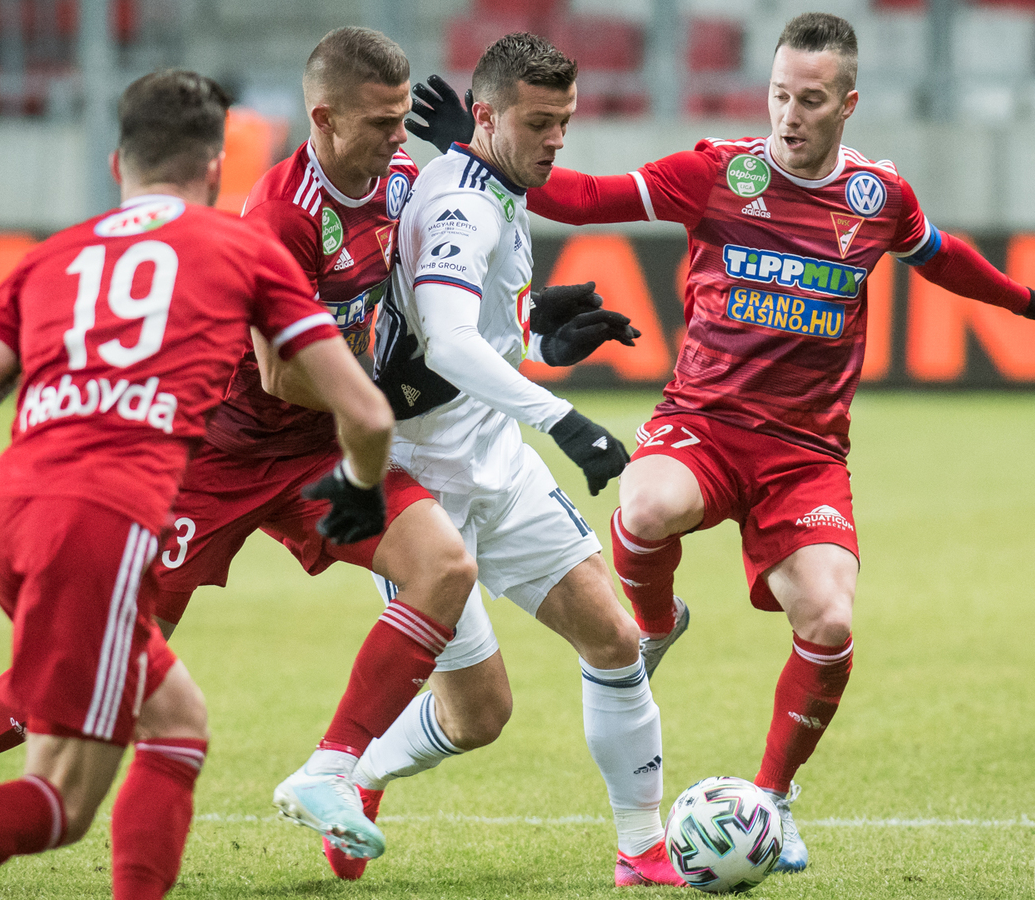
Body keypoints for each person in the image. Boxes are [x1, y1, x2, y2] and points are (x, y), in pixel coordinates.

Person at [407, 13, 1035, 875]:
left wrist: (1032, 303)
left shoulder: (878, 198)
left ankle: (772, 800)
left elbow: (941, 256)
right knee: (643, 507)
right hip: (704, 422)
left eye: (810, 100)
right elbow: (582, 199)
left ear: (848, 104)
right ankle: (656, 624)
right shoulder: (718, 174)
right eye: (778, 95)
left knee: (831, 622)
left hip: (807, 454)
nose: (789, 115)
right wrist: (475, 152)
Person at [0, 27, 486, 880]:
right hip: (216, 459)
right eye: (380, 122)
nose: (398, 138)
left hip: (313, 453)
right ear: (324, 119)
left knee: (443, 567)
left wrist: (475, 181)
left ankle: (333, 768)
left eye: (403, 119)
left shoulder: (403, 175)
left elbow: (458, 256)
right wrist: (388, 393)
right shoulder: (277, 216)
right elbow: (280, 375)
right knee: (102, 664)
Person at [355, 31, 682, 888]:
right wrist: (564, 420)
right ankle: (361, 773)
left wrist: (539, 335)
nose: (557, 140)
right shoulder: (461, 206)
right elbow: (448, 342)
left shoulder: (497, 186)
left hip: (495, 459)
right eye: (539, 122)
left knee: (616, 639)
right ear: (487, 116)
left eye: (565, 120)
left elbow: (473, 327)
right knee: (480, 716)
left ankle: (643, 849)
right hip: (419, 484)